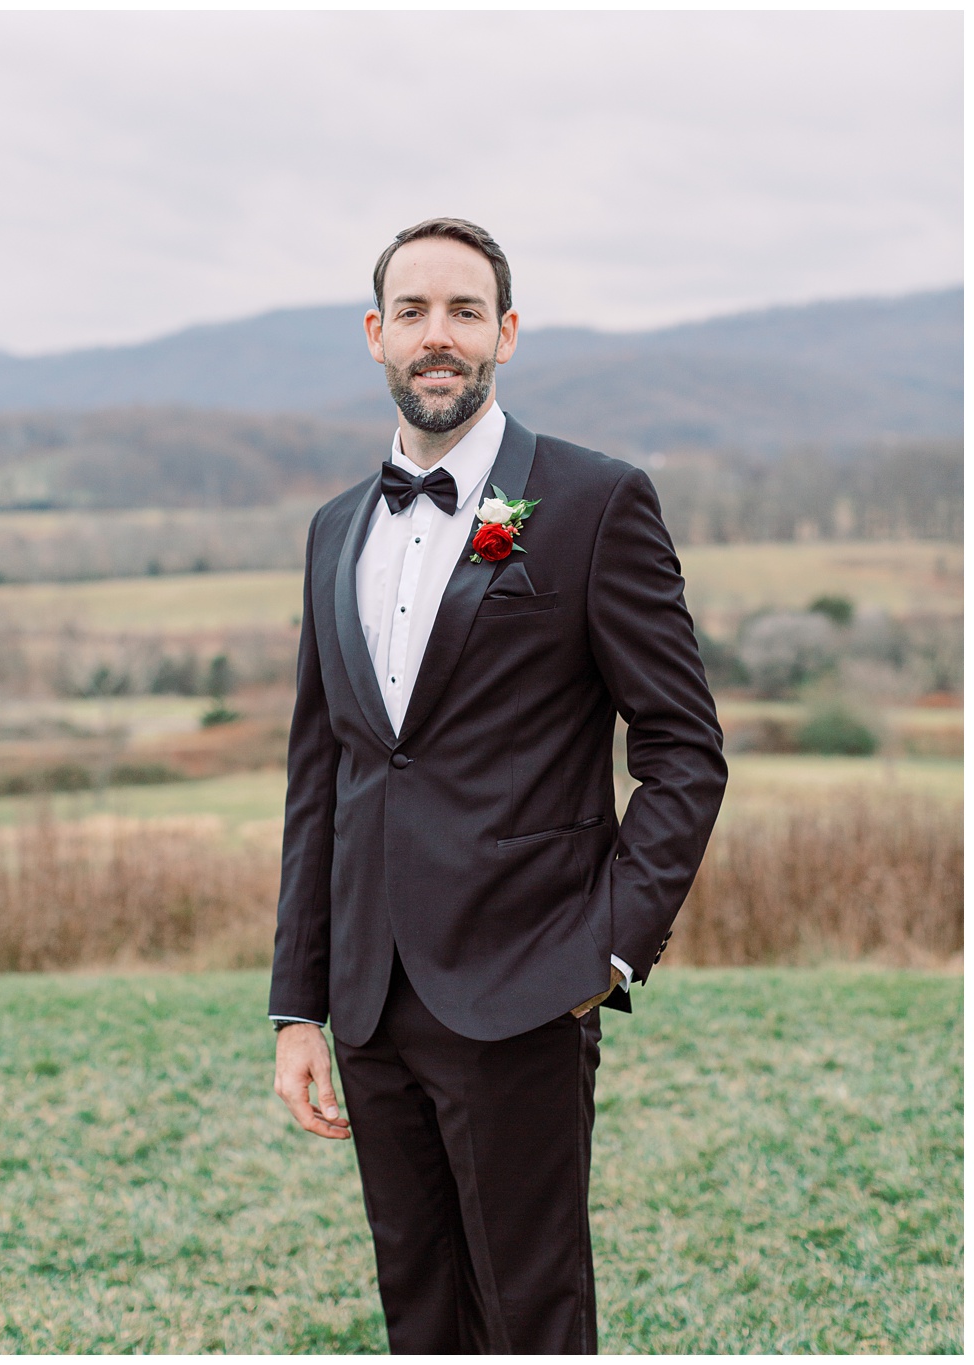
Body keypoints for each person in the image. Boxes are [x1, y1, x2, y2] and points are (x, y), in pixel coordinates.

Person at [268, 217, 726, 1353]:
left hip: (524, 984)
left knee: (530, 1314)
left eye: (464, 312)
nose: (439, 336)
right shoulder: (333, 530)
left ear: (505, 334)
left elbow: (681, 748)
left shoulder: (592, 503)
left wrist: (606, 950)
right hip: (370, 997)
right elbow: (320, 774)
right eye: (413, 312)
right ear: (375, 335)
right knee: (417, 1310)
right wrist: (297, 1004)